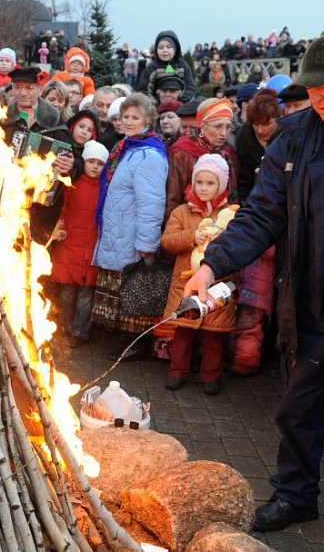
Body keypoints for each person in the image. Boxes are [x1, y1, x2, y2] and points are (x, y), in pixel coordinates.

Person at [183, 33, 324, 537]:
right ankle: (295, 494)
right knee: (300, 397)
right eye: (311, 90)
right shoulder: (296, 137)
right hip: (312, 290)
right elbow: (261, 215)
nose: (317, 98)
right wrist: (212, 266)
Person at [91, 92, 168, 357]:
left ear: (148, 120)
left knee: (133, 292)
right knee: (122, 288)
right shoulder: (127, 148)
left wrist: (147, 243)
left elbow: (151, 203)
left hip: (131, 232)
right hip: (118, 229)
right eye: (126, 116)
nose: (129, 121)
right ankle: (124, 340)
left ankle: (135, 344)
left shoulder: (148, 155)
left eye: (136, 117)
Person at [161, 154, 236, 395]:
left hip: (218, 283)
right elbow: (168, 241)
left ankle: (211, 375)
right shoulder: (182, 212)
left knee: (214, 335)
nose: (203, 188)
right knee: (183, 329)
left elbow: (238, 244)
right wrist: (191, 236)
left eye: (210, 183)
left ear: (222, 185)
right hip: (186, 282)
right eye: (199, 182)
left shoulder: (231, 214)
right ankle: (177, 371)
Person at [49, 140, 108, 348]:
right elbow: (64, 209)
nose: (94, 166)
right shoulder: (73, 184)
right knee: (66, 294)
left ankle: (80, 331)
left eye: (99, 163)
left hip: (91, 250)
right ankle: (65, 327)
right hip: (70, 247)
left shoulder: (105, 188)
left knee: (85, 297)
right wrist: (60, 228)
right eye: (90, 161)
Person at [164, 98, 240, 222]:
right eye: (218, 126)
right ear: (202, 125)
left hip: (224, 223)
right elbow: (172, 199)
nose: (224, 133)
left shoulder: (228, 150)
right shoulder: (181, 151)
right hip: (191, 226)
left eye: (228, 127)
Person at [136, 30, 196, 104]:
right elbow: (144, 88)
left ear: (175, 48)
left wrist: (182, 101)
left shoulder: (182, 66)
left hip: (179, 106)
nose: (164, 50)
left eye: (169, 47)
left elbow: (190, 86)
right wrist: (154, 105)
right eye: (160, 48)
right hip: (156, 107)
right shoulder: (152, 68)